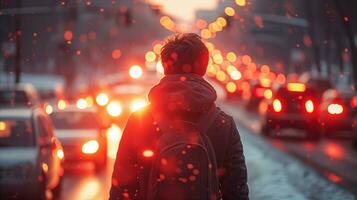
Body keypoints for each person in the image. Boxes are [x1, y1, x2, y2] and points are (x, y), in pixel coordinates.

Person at [109, 33, 249, 200]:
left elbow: (122, 188)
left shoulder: (140, 121)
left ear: (165, 67)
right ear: (204, 68)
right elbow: (236, 191)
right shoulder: (223, 124)